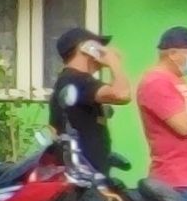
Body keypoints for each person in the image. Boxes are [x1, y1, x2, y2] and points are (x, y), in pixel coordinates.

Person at [49, 27, 130, 176]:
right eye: (99, 46)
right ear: (87, 48)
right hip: (85, 177)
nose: (103, 50)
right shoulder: (77, 80)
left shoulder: (69, 80)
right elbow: (122, 94)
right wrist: (114, 63)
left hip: (82, 173)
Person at [136, 27, 187, 201]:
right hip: (177, 184)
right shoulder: (156, 81)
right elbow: (184, 126)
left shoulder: (177, 80)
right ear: (173, 54)